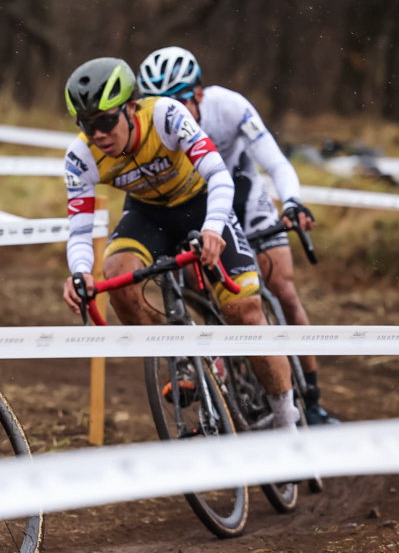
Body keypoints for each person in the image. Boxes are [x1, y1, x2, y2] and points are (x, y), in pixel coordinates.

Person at [59, 57, 300, 430]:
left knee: (244, 312)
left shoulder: (166, 116)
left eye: (106, 121)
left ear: (131, 108)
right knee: (116, 277)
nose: (99, 134)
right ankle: (185, 353)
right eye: (88, 126)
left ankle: (288, 422)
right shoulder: (80, 157)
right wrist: (78, 274)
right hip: (149, 215)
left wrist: (214, 228)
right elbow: (79, 230)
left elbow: (220, 176)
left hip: (203, 202)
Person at [136, 46, 338, 424]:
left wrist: (292, 202)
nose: (169, 113)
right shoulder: (154, 126)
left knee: (285, 291)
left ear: (198, 93)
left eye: (177, 101)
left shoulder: (229, 107)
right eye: (158, 104)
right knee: (189, 287)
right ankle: (214, 360)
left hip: (245, 202)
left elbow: (275, 161)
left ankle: (311, 397)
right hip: (196, 209)